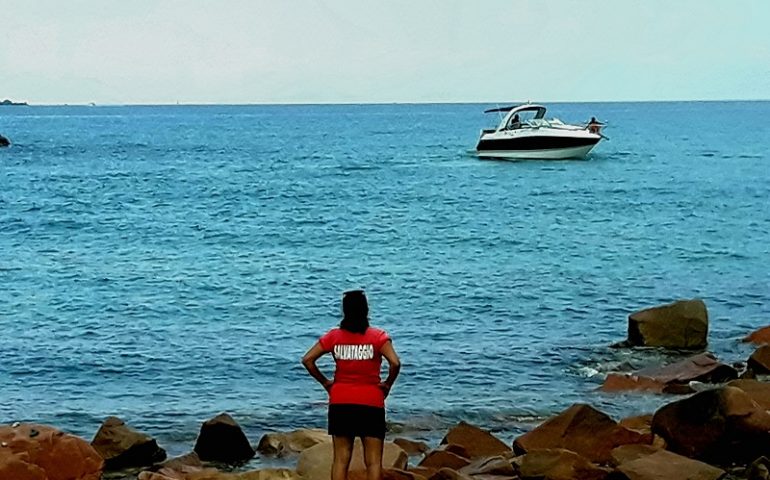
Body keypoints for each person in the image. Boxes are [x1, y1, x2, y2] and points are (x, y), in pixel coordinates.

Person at [302, 290, 401, 480]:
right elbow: (395, 363)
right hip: (371, 401)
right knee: (373, 461)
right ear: (366, 310)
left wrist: (325, 382)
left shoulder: (333, 337)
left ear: (345, 311)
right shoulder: (378, 337)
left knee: (340, 460)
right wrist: (387, 384)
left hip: (340, 400)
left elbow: (307, 360)